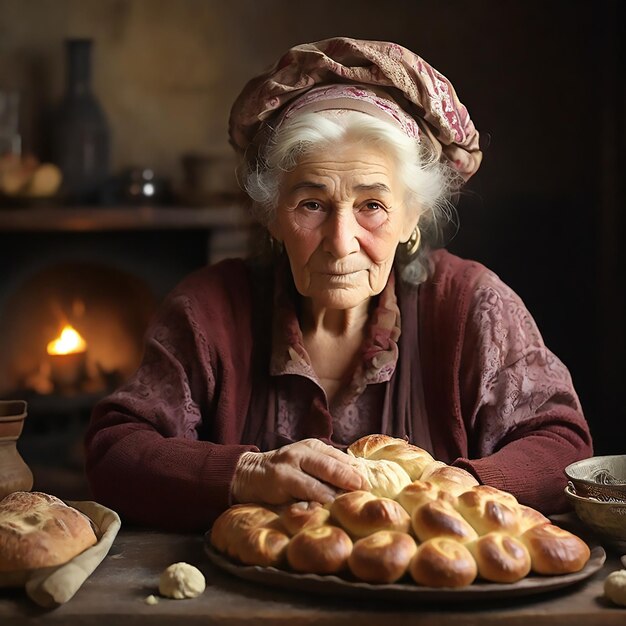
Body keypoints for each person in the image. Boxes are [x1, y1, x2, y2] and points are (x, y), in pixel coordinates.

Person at [85, 37, 592, 531]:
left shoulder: (473, 306)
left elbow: (563, 446)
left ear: (412, 216)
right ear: (272, 216)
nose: (340, 242)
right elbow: (116, 451)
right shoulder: (209, 310)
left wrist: (461, 486)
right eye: (311, 204)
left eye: (372, 205)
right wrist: (246, 474)